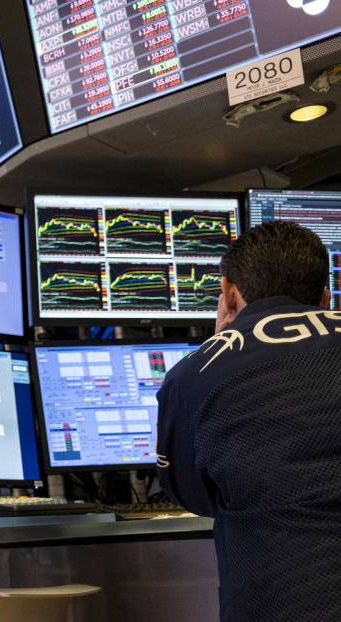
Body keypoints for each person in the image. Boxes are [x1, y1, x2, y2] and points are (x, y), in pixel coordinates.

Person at [156, 220, 341, 621]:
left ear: (228, 294)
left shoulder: (196, 373)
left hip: (277, 605)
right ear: (326, 297)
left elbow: (193, 494)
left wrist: (222, 339)